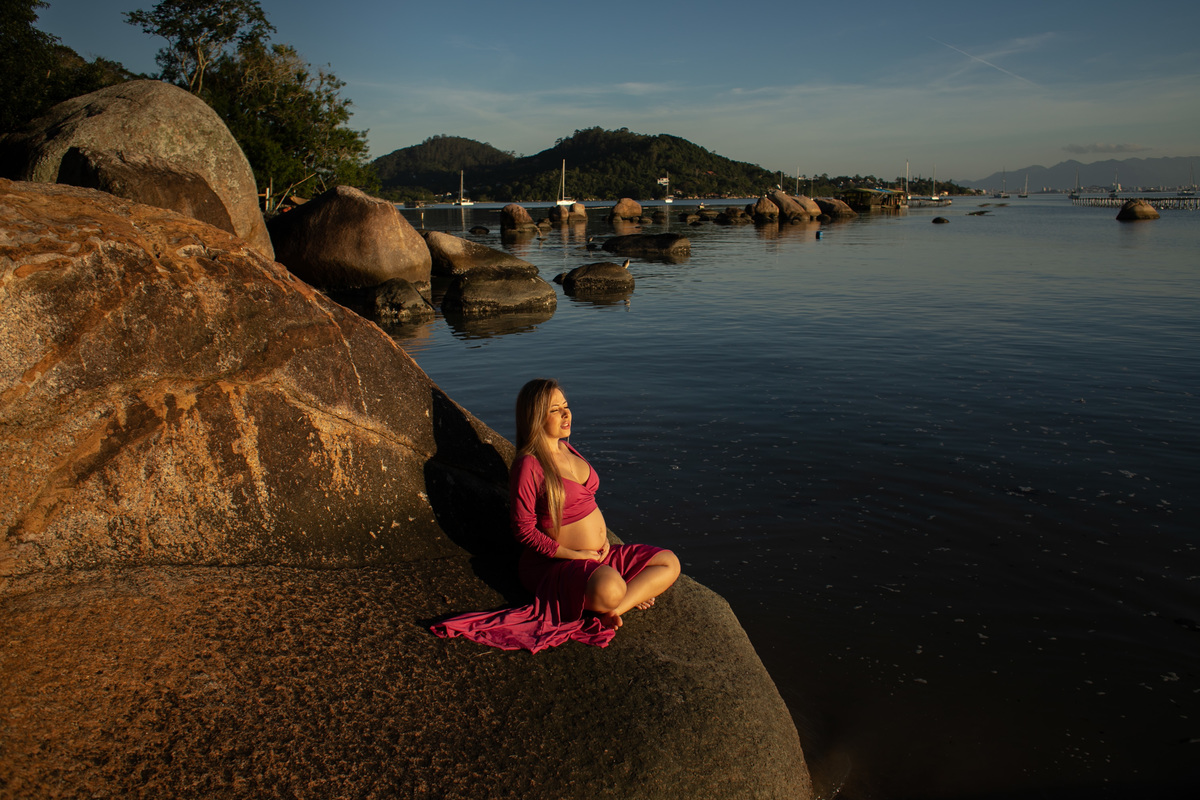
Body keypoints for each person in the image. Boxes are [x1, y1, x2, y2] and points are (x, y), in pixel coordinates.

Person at [431, 378, 681, 652]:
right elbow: (523, 529)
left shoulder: (566, 448)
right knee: (611, 587)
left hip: (596, 555)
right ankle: (617, 597)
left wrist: (602, 543)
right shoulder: (529, 464)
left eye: (566, 406)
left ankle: (615, 608)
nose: (566, 414)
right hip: (556, 564)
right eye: (554, 410)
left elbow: (586, 507)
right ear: (535, 417)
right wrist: (574, 554)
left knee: (669, 562)